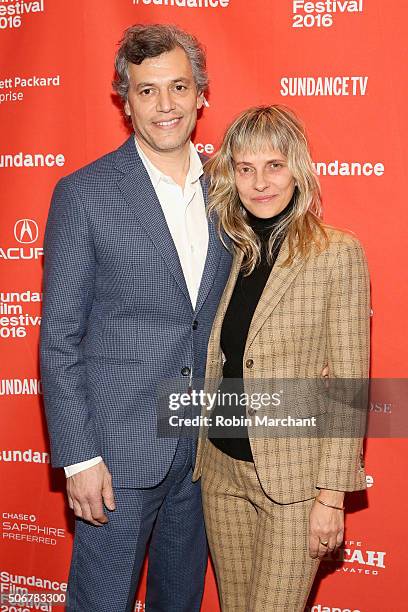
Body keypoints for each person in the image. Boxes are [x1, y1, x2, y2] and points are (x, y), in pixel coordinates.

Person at [40, 24, 231, 612]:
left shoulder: (230, 190)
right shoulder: (85, 193)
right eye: (147, 91)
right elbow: (60, 340)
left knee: (181, 600)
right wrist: (80, 456)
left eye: (178, 87)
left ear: (201, 93)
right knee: (101, 602)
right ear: (125, 100)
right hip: (116, 455)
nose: (166, 105)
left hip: (202, 451)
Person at [193, 105, 370, 611]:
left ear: (298, 168)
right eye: (245, 169)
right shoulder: (230, 251)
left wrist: (331, 497)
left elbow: (347, 385)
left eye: (274, 165)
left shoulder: (337, 253)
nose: (260, 183)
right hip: (222, 474)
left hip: (294, 484)